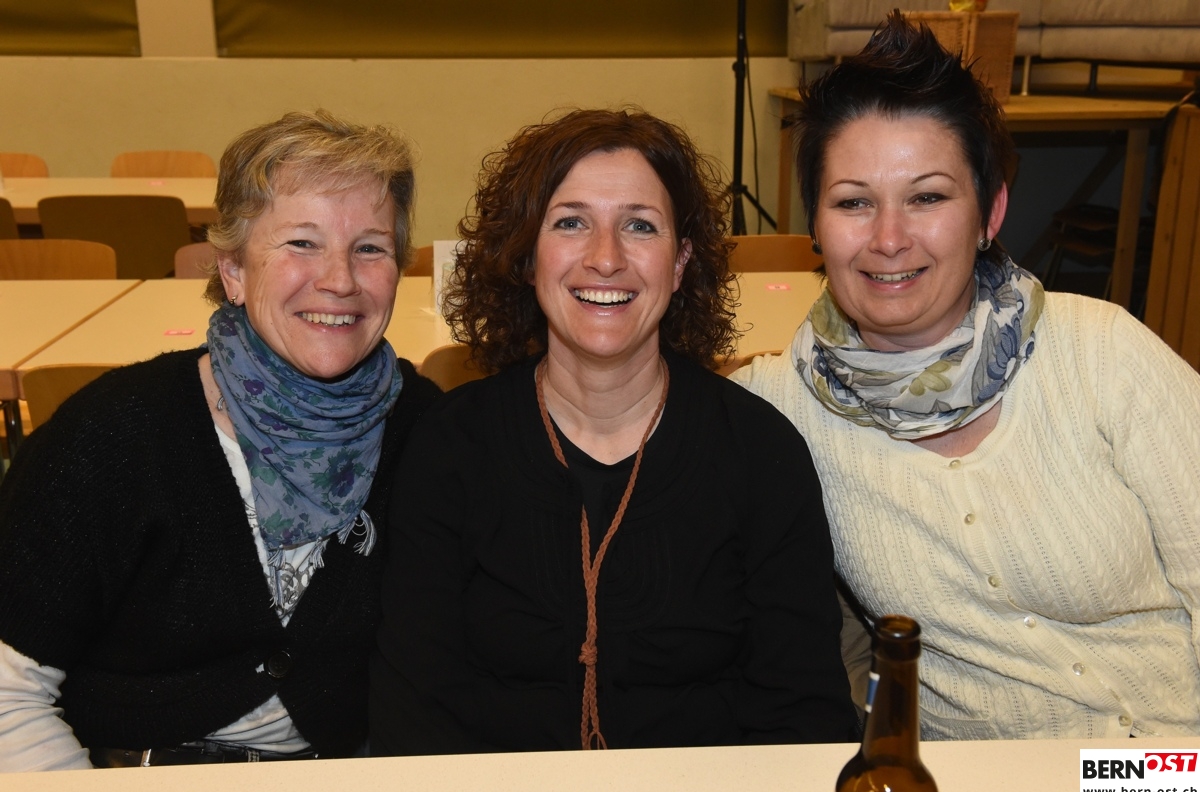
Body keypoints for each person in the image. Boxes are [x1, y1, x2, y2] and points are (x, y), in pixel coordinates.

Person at [734, 12, 1200, 740]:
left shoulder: (1101, 352)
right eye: (854, 202)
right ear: (814, 226)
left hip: (1174, 765)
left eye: (928, 197)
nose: (889, 239)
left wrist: (1161, 781)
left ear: (990, 212)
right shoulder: (781, 407)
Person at [369, 108, 858, 754]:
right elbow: (412, 717)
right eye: (571, 222)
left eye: (640, 225)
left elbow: (804, 719)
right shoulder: (449, 447)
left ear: (680, 262)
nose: (605, 258)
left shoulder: (760, 453)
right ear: (528, 256)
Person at [0, 110, 442, 770]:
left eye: (370, 248)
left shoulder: (428, 430)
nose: (340, 279)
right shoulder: (114, 434)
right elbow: (9, 692)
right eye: (301, 242)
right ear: (233, 270)